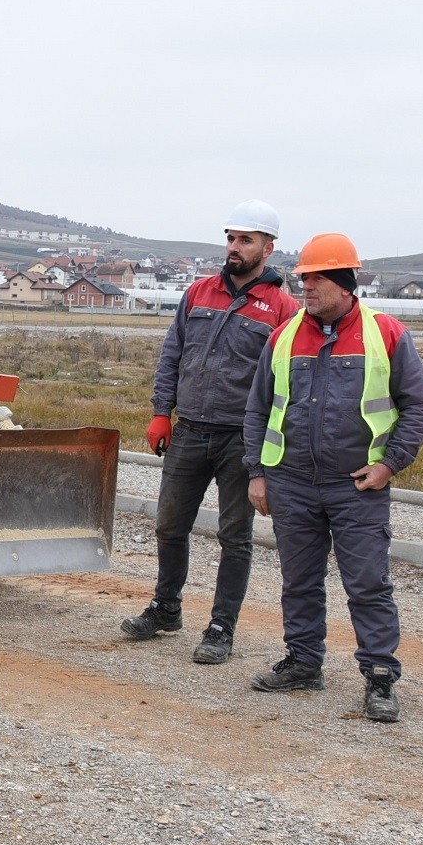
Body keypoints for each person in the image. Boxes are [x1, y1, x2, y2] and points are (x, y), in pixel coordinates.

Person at [242, 233, 423, 722]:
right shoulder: (283, 337)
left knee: (368, 583)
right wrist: (258, 474)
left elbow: (419, 406)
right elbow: (258, 410)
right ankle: (304, 662)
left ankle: (379, 677)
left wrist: (389, 464)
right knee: (300, 580)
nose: (307, 287)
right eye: (304, 278)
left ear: (347, 283)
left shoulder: (386, 333)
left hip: (356, 485)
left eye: (319, 278)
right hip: (290, 482)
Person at [122, 201, 298, 664]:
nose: (234, 247)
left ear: (268, 247)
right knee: (169, 526)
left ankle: (222, 628)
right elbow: (172, 354)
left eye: (246, 240)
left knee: (235, 537)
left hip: (241, 439)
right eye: (231, 238)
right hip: (189, 431)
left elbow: (287, 385)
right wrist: (163, 411)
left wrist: (270, 448)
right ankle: (165, 608)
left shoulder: (284, 308)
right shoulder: (199, 293)